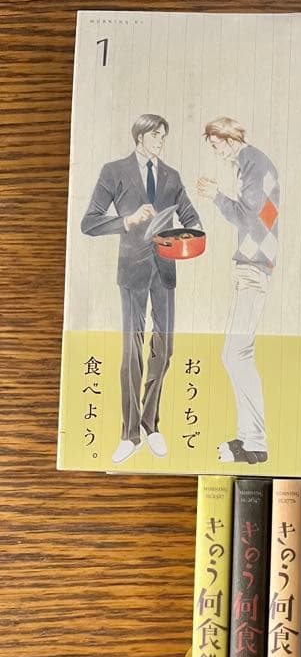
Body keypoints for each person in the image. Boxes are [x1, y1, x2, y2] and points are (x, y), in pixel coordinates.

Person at [81, 114, 201, 464]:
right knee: (131, 354)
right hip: (131, 270)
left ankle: (150, 424)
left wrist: (190, 233)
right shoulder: (114, 171)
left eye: (164, 135)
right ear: (139, 138)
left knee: (165, 350)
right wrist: (127, 220)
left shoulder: (171, 176)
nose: (161, 140)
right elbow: (89, 222)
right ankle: (129, 433)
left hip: (165, 270)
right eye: (155, 135)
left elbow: (191, 217)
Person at [197, 117, 279, 465]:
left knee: (236, 355)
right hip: (253, 262)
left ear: (230, 140)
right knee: (236, 354)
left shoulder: (252, 163)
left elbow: (248, 218)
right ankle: (249, 439)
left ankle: (255, 443)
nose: (217, 153)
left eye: (217, 146)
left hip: (255, 264)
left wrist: (215, 196)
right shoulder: (253, 163)